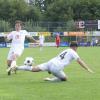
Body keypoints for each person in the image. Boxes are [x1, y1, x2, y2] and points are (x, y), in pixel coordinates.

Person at [8, 42, 94, 82]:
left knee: (33, 69)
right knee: (65, 79)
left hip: (50, 62)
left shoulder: (66, 49)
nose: (76, 49)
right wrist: (87, 69)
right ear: (75, 47)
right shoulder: (73, 52)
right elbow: (80, 61)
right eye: (76, 47)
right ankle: (50, 79)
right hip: (56, 68)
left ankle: (16, 67)